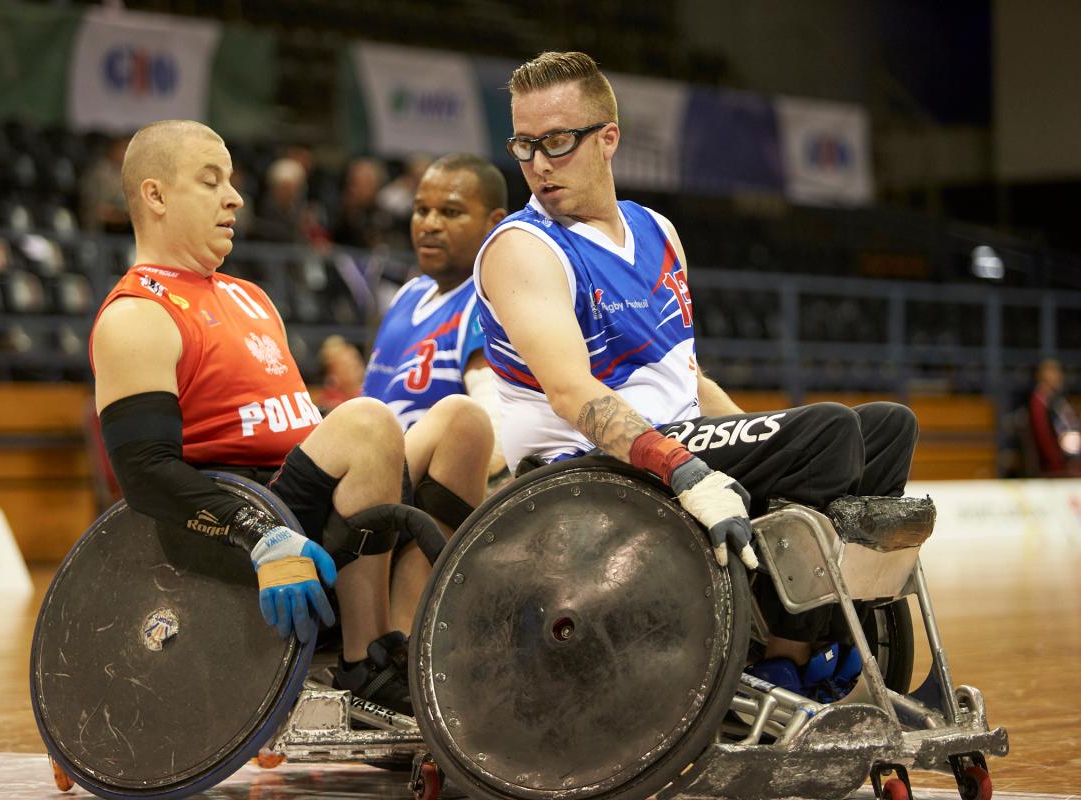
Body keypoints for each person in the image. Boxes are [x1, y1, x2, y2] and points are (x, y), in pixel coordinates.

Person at [474, 52, 919, 698]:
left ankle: (826, 631)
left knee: (883, 429)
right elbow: (571, 392)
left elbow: (687, 373)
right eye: (524, 145)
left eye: (557, 143)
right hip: (585, 468)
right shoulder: (524, 247)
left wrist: (773, 444)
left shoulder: (658, 232)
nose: (539, 164)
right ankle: (783, 663)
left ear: (608, 139)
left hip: (673, 438)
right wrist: (684, 466)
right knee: (826, 433)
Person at [89, 119, 491, 715]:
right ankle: (364, 663)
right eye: (210, 181)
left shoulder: (252, 297)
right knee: (367, 422)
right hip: (239, 523)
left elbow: (288, 423)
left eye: (231, 180)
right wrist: (257, 532)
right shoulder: (136, 314)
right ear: (155, 196)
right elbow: (144, 473)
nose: (235, 197)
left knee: (463, 421)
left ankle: (410, 645)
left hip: (309, 502)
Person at [363, 153, 509, 479]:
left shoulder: (491, 300)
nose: (429, 224)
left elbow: (494, 444)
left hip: (415, 504)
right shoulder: (409, 294)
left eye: (450, 212)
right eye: (421, 210)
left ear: (494, 222)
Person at [1028, 358, 1081, 476]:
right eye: (1054, 373)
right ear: (1044, 376)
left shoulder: (1055, 398)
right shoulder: (1040, 401)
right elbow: (1043, 435)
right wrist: (1057, 461)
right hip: (1055, 461)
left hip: (1068, 451)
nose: (1059, 377)